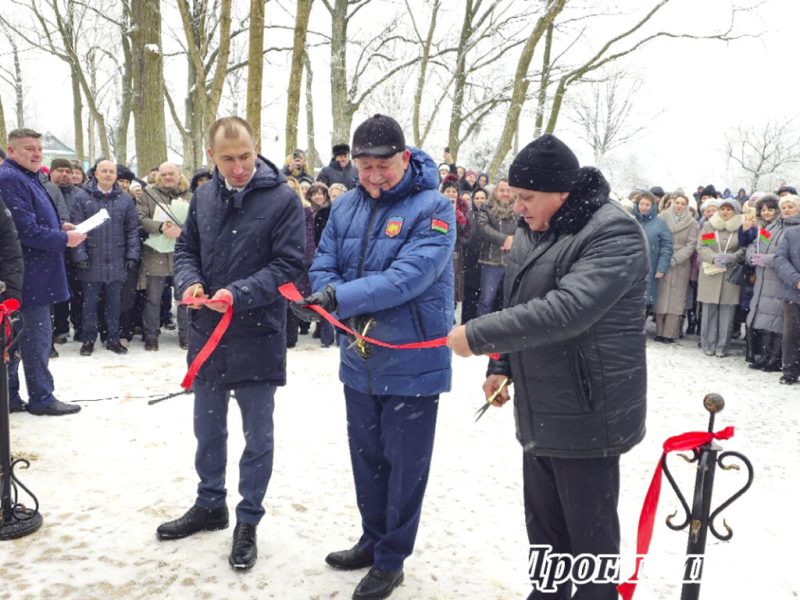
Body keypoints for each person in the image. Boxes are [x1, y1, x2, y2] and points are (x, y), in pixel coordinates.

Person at [446, 133, 648, 600]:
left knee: (590, 545)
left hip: (588, 407)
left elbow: (567, 309)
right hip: (540, 405)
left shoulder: (611, 232)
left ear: (563, 191)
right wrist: (501, 365)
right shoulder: (538, 226)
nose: (518, 207)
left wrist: (478, 335)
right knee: (545, 530)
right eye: (514, 196)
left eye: (526, 197)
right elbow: (519, 298)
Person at [294, 113, 455, 600]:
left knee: (405, 466)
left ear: (405, 158)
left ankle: (391, 560)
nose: (373, 175)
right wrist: (326, 289)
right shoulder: (345, 209)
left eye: (382, 165)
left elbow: (408, 277)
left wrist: (338, 298)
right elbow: (323, 262)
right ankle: (371, 538)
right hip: (358, 359)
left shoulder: (434, 209)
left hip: (411, 362)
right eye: (364, 166)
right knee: (367, 460)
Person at [162, 116, 305, 571]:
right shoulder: (202, 196)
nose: (239, 167)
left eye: (245, 156)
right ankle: (210, 504)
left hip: (257, 333)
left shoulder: (283, 199)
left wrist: (238, 293)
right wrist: (189, 281)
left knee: (257, 436)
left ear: (256, 147)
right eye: (228, 159)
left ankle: (248, 519)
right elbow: (186, 251)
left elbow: (289, 264)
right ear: (212, 157)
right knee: (208, 430)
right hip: (208, 335)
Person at [0, 128, 86, 415]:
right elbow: (23, 231)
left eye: (38, 148)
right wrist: (63, 240)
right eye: (28, 148)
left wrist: (59, 228)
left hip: (34, 273)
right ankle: (41, 398)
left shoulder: (28, 177)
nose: (36, 153)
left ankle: (10, 397)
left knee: (16, 340)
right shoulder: (11, 179)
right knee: (34, 341)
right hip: (28, 277)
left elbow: (34, 221)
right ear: (11, 151)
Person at [71, 160, 139, 356]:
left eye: (112, 171)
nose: (108, 174)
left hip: (117, 259)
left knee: (114, 303)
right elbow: (76, 227)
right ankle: (88, 339)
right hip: (91, 259)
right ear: (96, 174)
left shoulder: (125, 200)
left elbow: (132, 230)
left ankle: (113, 339)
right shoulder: (82, 197)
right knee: (90, 304)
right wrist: (80, 255)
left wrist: (132, 255)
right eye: (104, 171)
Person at [136, 162, 190, 350]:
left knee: (185, 297)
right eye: (164, 174)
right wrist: (160, 227)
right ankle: (151, 335)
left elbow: (200, 220)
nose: (168, 177)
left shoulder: (190, 196)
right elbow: (140, 218)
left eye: (171, 174)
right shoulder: (148, 195)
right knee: (153, 298)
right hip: (155, 253)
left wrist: (183, 231)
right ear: (159, 176)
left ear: (179, 175)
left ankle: (186, 334)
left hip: (182, 254)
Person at [696, 198, 744, 357]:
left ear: (735, 211)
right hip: (711, 272)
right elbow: (703, 246)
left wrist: (732, 257)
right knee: (709, 310)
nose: (725, 212)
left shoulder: (740, 228)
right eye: (722, 209)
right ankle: (707, 344)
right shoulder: (710, 225)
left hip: (730, 273)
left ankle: (722, 346)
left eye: (729, 209)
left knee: (727, 312)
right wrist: (713, 257)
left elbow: (744, 248)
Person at [654, 193, 697, 342]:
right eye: (677, 202)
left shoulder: (692, 222)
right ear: (673, 203)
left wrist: (677, 258)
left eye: (683, 203)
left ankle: (670, 333)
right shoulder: (662, 218)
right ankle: (659, 331)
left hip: (681, 264)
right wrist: (664, 256)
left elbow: (691, 244)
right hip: (662, 258)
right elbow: (657, 237)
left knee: (676, 299)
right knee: (661, 296)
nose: (679, 206)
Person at [476, 179, 516, 316]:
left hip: (514, 262)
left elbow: (527, 228)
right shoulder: (486, 207)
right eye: (502, 190)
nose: (505, 193)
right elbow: (482, 227)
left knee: (510, 303)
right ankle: (480, 334)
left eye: (508, 190)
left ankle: (505, 334)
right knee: (486, 301)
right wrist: (503, 240)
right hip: (490, 262)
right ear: (495, 192)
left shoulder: (520, 208)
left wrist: (515, 240)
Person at [773, 196, 800, 384]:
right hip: (794, 292)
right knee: (791, 334)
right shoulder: (792, 234)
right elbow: (780, 259)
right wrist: (796, 279)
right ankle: (790, 371)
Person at [633, 191, 673, 314]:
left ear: (653, 207)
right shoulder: (631, 220)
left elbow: (666, 246)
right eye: (641, 204)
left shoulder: (660, 223)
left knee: (644, 300)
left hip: (650, 266)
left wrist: (661, 268)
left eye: (647, 205)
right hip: (631, 266)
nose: (644, 207)